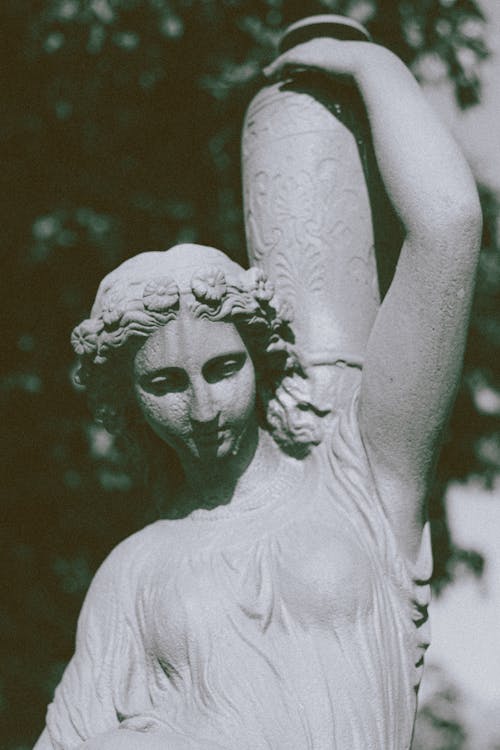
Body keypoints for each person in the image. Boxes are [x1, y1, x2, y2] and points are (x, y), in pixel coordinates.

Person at [34, 34, 482, 750]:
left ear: (263, 360)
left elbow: (449, 230)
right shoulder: (134, 570)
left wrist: (373, 68)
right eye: (165, 384)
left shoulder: (363, 478)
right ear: (131, 401)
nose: (204, 409)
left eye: (222, 369)